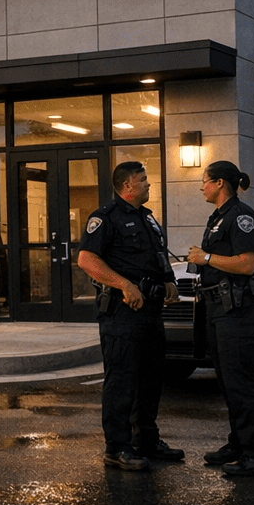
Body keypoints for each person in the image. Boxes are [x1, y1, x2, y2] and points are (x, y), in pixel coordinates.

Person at [77, 160, 183, 471]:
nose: (149, 184)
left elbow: (158, 255)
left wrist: (169, 281)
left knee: (151, 378)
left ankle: (146, 440)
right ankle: (117, 447)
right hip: (122, 313)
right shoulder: (105, 218)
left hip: (150, 311)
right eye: (144, 180)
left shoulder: (148, 219)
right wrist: (123, 284)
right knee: (121, 380)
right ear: (128, 186)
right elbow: (86, 259)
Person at [186, 160, 254, 478]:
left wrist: (207, 257)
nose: (202, 187)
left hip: (239, 310)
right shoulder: (219, 217)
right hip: (219, 309)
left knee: (243, 382)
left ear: (221, 183)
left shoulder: (241, 217)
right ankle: (239, 443)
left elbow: (247, 264)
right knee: (228, 381)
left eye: (205, 181)